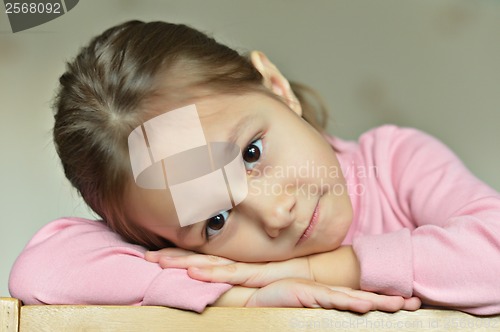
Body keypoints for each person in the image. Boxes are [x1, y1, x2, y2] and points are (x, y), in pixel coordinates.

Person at [9, 20, 499, 315]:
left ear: (275, 86)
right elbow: (44, 269)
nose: (274, 214)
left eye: (251, 154)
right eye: (214, 221)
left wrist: (318, 271)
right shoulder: (206, 265)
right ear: (166, 244)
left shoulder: (393, 163)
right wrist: (236, 300)